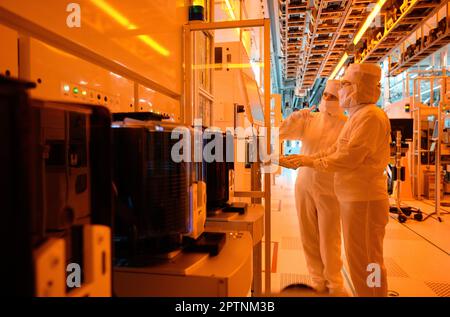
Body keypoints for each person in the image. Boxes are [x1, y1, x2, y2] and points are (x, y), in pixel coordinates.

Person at [284, 63, 391, 297]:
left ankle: (371, 294)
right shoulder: (358, 116)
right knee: (360, 260)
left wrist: (308, 161)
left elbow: (345, 158)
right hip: (352, 198)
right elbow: (335, 149)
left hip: (363, 199)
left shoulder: (369, 117)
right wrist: (303, 159)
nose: (339, 92)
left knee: (368, 261)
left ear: (358, 88)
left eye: (344, 85)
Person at [279, 80, 347, 295]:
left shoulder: (347, 125)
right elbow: (282, 133)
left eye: (332, 97)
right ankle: (317, 281)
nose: (326, 100)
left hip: (330, 187)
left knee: (329, 239)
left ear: (343, 99)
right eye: (325, 95)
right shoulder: (311, 120)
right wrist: (293, 118)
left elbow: (339, 155)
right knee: (308, 237)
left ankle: (335, 284)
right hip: (304, 184)